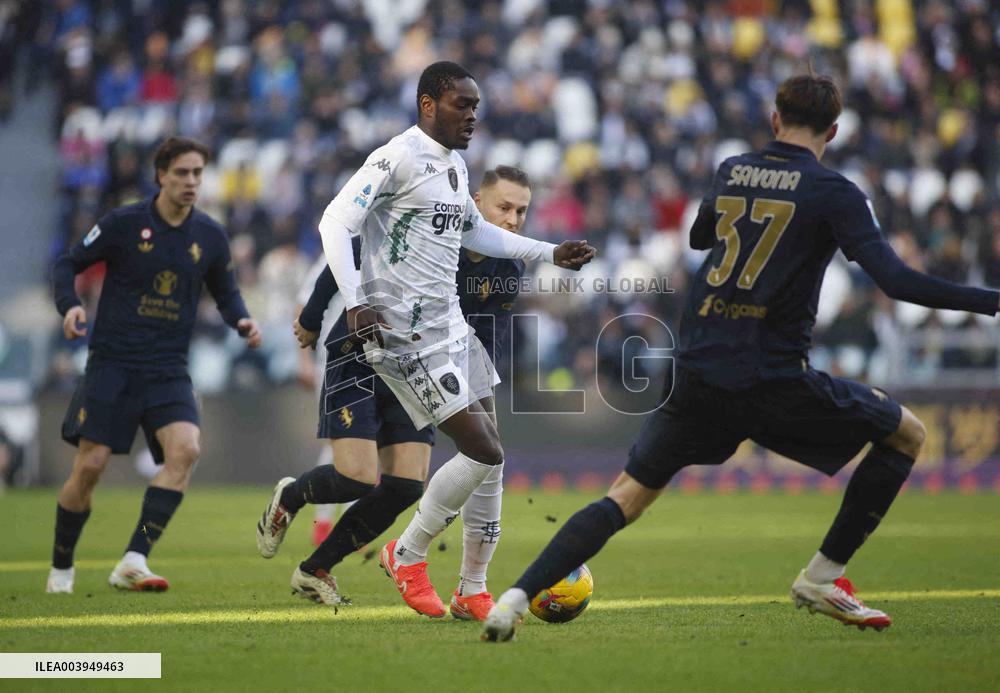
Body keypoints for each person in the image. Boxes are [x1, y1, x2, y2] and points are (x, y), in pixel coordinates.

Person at [481, 74, 1000, 641]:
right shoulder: (836, 192)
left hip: (698, 367)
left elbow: (702, 237)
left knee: (625, 497)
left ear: (774, 120)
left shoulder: (733, 170)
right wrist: (989, 302)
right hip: (767, 374)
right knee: (907, 435)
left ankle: (511, 600)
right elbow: (895, 280)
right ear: (834, 129)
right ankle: (823, 576)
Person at [318, 61, 594, 618]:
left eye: (475, 106)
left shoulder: (455, 166)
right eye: (460, 105)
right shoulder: (395, 157)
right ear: (428, 104)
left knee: (493, 456)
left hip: (452, 328)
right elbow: (334, 221)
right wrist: (355, 300)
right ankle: (407, 553)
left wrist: (548, 253)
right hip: (405, 336)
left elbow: (474, 230)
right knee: (483, 448)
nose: (472, 115)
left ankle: (472, 588)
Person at [257, 164, 534, 621]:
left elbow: (493, 331)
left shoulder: (508, 265)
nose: (513, 219)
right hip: (361, 355)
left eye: (522, 211)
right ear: (476, 204)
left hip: (424, 369)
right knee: (357, 477)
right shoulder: (430, 230)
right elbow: (351, 250)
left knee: (406, 485)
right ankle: (292, 497)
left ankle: (316, 568)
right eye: (504, 207)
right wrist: (310, 318)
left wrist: (479, 381)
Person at [48, 136, 261, 594]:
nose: (190, 181)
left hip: (167, 367)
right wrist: (69, 305)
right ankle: (61, 567)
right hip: (113, 363)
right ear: (160, 175)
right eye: (182, 172)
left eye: (197, 173)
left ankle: (134, 557)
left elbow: (226, 291)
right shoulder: (124, 223)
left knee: (185, 450)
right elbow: (67, 264)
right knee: (91, 466)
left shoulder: (209, 235)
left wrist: (240, 319)